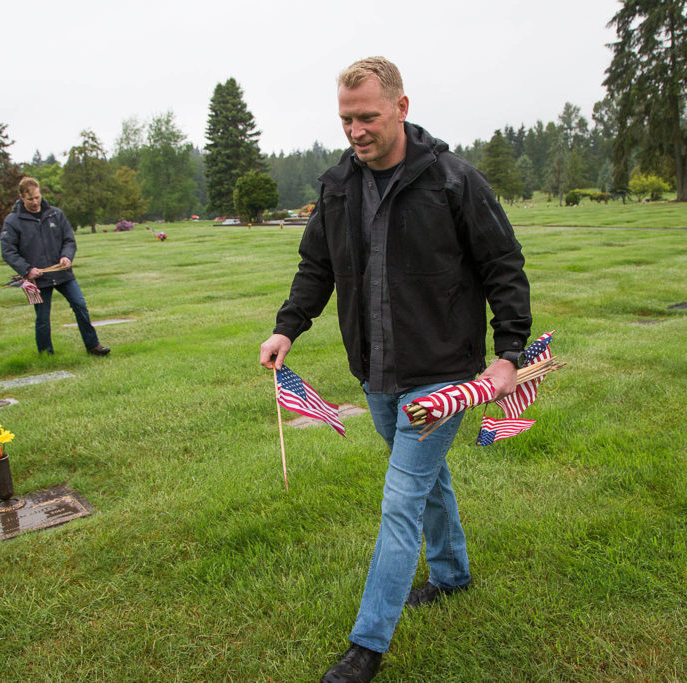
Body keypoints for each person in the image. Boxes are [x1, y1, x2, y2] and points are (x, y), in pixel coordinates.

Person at [258, 57, 532, 683]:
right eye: (346, 119)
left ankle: (367, 646)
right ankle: (454, 573)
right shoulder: (336, 187)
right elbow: (315, 268)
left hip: (444, 374)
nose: (356, 131)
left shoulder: (454, 182)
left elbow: (503, 266)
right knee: (426, 481)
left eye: (368, 117)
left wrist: (508, 353)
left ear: (402, 109)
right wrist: (286, 326)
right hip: (375, 372)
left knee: (401, 499)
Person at [1, 177, 110, 356]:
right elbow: (8, 251)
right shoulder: (12, 221)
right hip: (36, 279)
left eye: (37, 197)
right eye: (30, 199)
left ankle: (93, 346)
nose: (35, 202)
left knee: (80, 305)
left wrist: (67, 256)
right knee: (42, 317)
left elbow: (69, 239)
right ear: (21, 197)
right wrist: (27, 270)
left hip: (62, 274)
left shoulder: (55, 214)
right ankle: (46, 354)